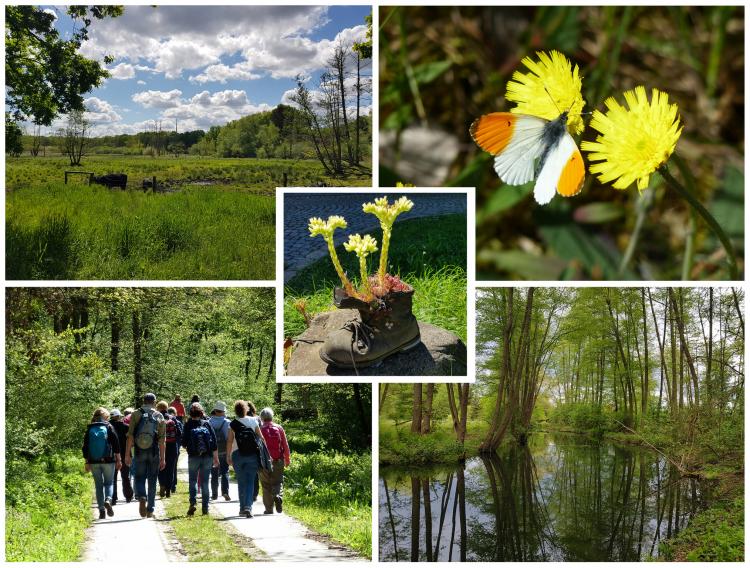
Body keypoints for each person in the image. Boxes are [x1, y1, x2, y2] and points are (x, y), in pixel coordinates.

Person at [125, 393, 166, 519]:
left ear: (144, 401)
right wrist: (163, 458)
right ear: (154, 402)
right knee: (152, 479)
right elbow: (162, 439)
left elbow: (130, 435)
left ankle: (142, 496)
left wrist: (127, 454)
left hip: (139, 451)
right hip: (154, 451)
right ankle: (150, 509)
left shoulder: (136, 414)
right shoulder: (159, 415)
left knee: (139, 476)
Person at [82, 407, 121, 520]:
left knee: (98, 486)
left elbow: (85, 447)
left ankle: (101, 511)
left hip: (94, 461)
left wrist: (87, 461)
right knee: (109, 483)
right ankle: (108, 500)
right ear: (106, 416)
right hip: (108, 460)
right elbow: (116, 444)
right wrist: (119, 459)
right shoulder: (108, 426)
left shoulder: (90, 428)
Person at [227, 400, 263, 518]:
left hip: (237, 455)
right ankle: (248, 507)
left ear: (235, 411)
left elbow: (230, 441)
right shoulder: (253, 421)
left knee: (241, 482)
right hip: (252, 455)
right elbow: (261, 438)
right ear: (246, 409)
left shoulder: (233, 424)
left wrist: (228, 456)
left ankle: (242, 508)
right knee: (250, 482)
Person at [183, 402, 219, 515]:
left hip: (193, 456)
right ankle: (205, 508)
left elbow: (183, 442)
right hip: (207, 457)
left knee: (193, 480)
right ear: (201, 412)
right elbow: (214, 443)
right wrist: (216, 458)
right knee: (204, 482)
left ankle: (193, 502)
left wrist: (189, 446)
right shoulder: (207, 424)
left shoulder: (188, 425)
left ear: (190, 413)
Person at [259, 407, 291, 514]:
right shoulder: (279, 428)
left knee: (265, 484)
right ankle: (278, 495)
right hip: (278, 459)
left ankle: (269, 509)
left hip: (264, 461)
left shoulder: (259, 429)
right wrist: (287, 459)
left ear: (261, 418)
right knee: (278, 482)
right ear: (272, 416)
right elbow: (285, 445)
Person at [109, 409, 133, 504]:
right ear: (119, 416)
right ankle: (128, 496)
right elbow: (130, 440)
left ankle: (113, 498)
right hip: (124, 454)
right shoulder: (125, 427)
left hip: (112, 455)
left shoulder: (108, 427)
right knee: (125, 476)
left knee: (113, 477)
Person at [208, 401, 231, 501]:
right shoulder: (227, 422)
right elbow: (229, 439)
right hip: (224, 451)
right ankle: (225, 492)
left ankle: (214, 494)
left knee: (214, 473)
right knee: (225, 471)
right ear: (223, 411)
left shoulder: (209, 422)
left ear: (215, 410)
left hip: (213, 452)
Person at [157, 401, 179, 498]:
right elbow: (179, 433)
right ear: (167, 407)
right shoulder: (173, 418)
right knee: (171, 468)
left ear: (158, 408)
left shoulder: (156, 417)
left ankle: (162, 484)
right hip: (172, 446)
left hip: (160, 445)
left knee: (161, 466)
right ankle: (168, 490)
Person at [166, 406, 183, 494]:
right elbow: (181, 435)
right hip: (175, 447)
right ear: (175, 413)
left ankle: (165, 484)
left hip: (165, 446)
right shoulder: (177, 422)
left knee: (165, 466)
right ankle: (173, 485)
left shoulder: (164, 420)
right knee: (173, 467)